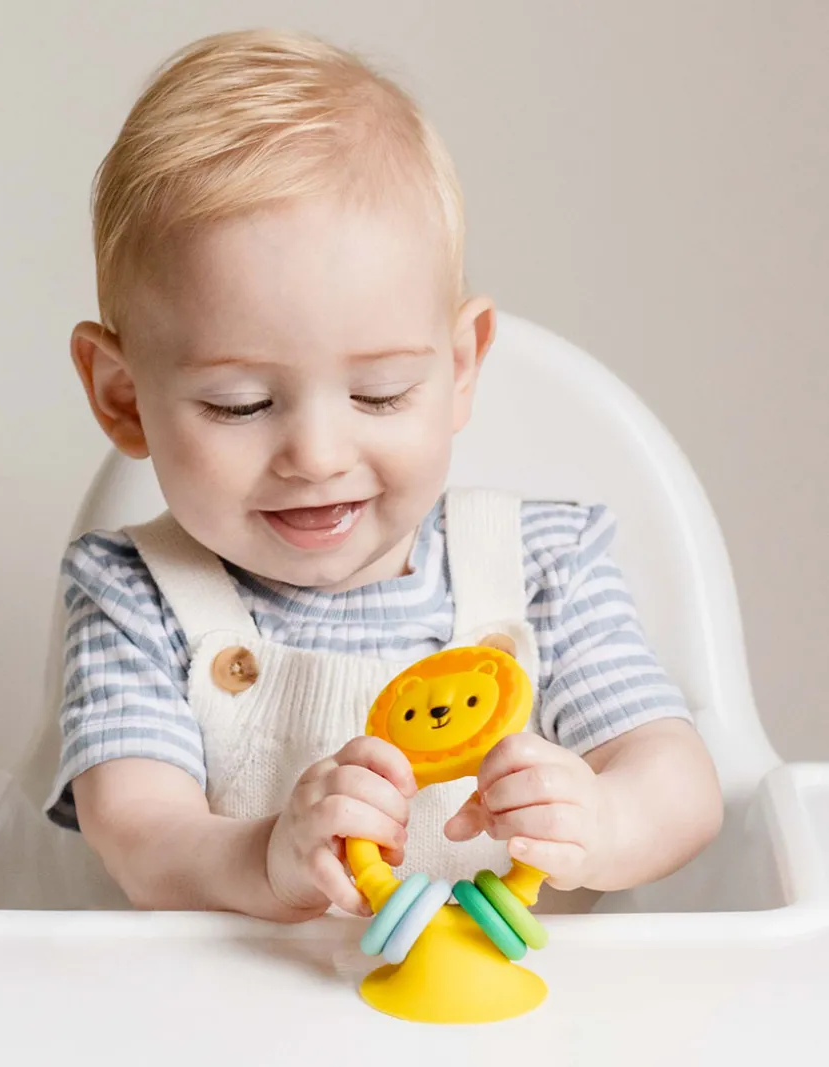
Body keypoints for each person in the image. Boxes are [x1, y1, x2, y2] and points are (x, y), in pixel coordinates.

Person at [45, 28, 723, 921]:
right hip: (232, 1003)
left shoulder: (540, 568)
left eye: (379, 393)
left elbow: (681, 781)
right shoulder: (137, 597)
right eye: (242, 404)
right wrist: (262, 857)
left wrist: (605, 819)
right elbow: (141, 835)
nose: (318, 456)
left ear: (460, 368)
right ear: (124, 396)